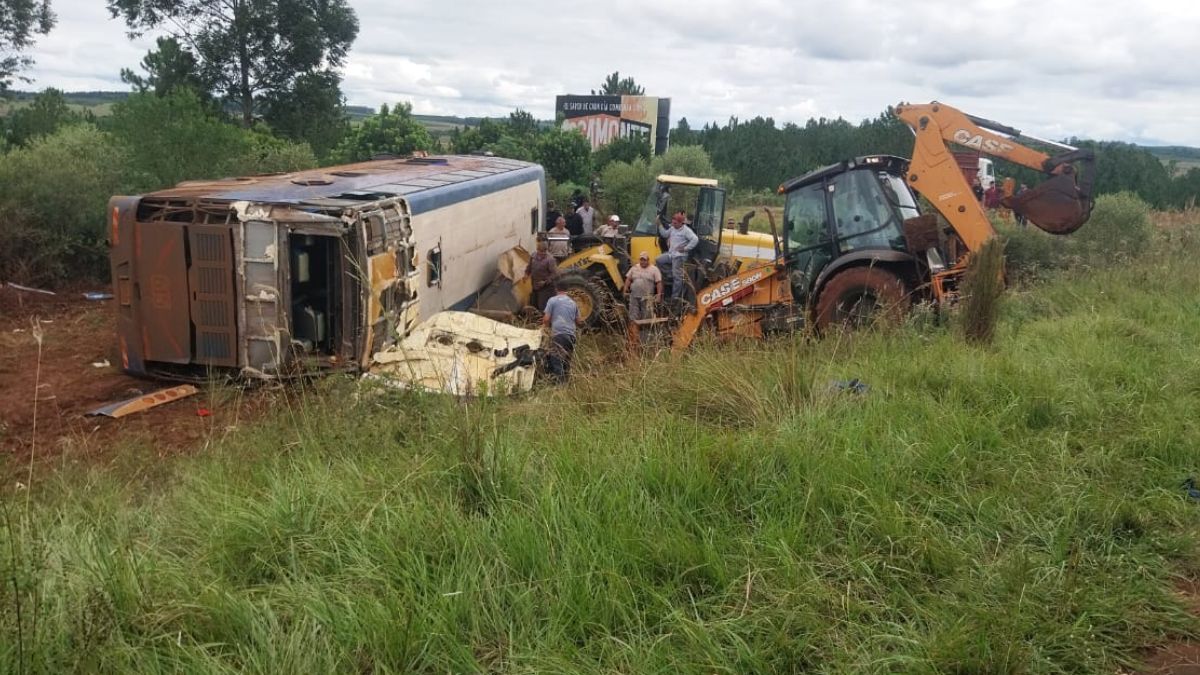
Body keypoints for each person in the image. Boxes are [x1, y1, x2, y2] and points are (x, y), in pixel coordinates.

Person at [542, 279, 583, 383]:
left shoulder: (552, 300)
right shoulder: (573, 303)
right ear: (567, 290)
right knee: (566, 362)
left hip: (559, 335)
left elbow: (546, 319)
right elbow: (579, 321)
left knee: (556, 360)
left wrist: (545, 328)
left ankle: (559, 387)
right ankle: (566, 384)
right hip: (571, 337)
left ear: (556, 289)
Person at [656, 211, 699, 303]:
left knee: (677, 278)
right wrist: (659, 225)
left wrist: (685, 248)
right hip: (671, 254)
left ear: (681, 223)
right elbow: (664, 234)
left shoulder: (686, 231)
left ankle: (674, 298)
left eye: (675, 223)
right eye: (673, 222)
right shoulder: (672, 228)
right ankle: (670, 273)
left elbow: (695, 240)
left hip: (679, 256)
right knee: (658, 260)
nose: (673, 224)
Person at [623, 251, 663, 321]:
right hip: (634, 296)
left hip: (647, 297)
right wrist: (625, 289)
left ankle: (646, 331)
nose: (643, 262)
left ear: (648, 260)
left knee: (647, 316)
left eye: (644, 260)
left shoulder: (654, 269)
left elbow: (659, 283)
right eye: (641, 260)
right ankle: (634, 330)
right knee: (633, 314)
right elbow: (628, 279)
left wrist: (659, 295)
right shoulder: (634, 268)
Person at [526, 237, 559, 310]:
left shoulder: (550, 259)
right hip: (535, 285)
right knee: (533, 304)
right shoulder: (533, 255)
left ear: (546, 250)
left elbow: (555, 274)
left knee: (542, 306)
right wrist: (526, 274)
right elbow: (529, 266)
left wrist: (545, 282)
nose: (542, 254)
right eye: (540, 252)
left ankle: (544, 319)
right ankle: (534, 319)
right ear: (537, 250)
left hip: (546, 287)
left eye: (544, 252)